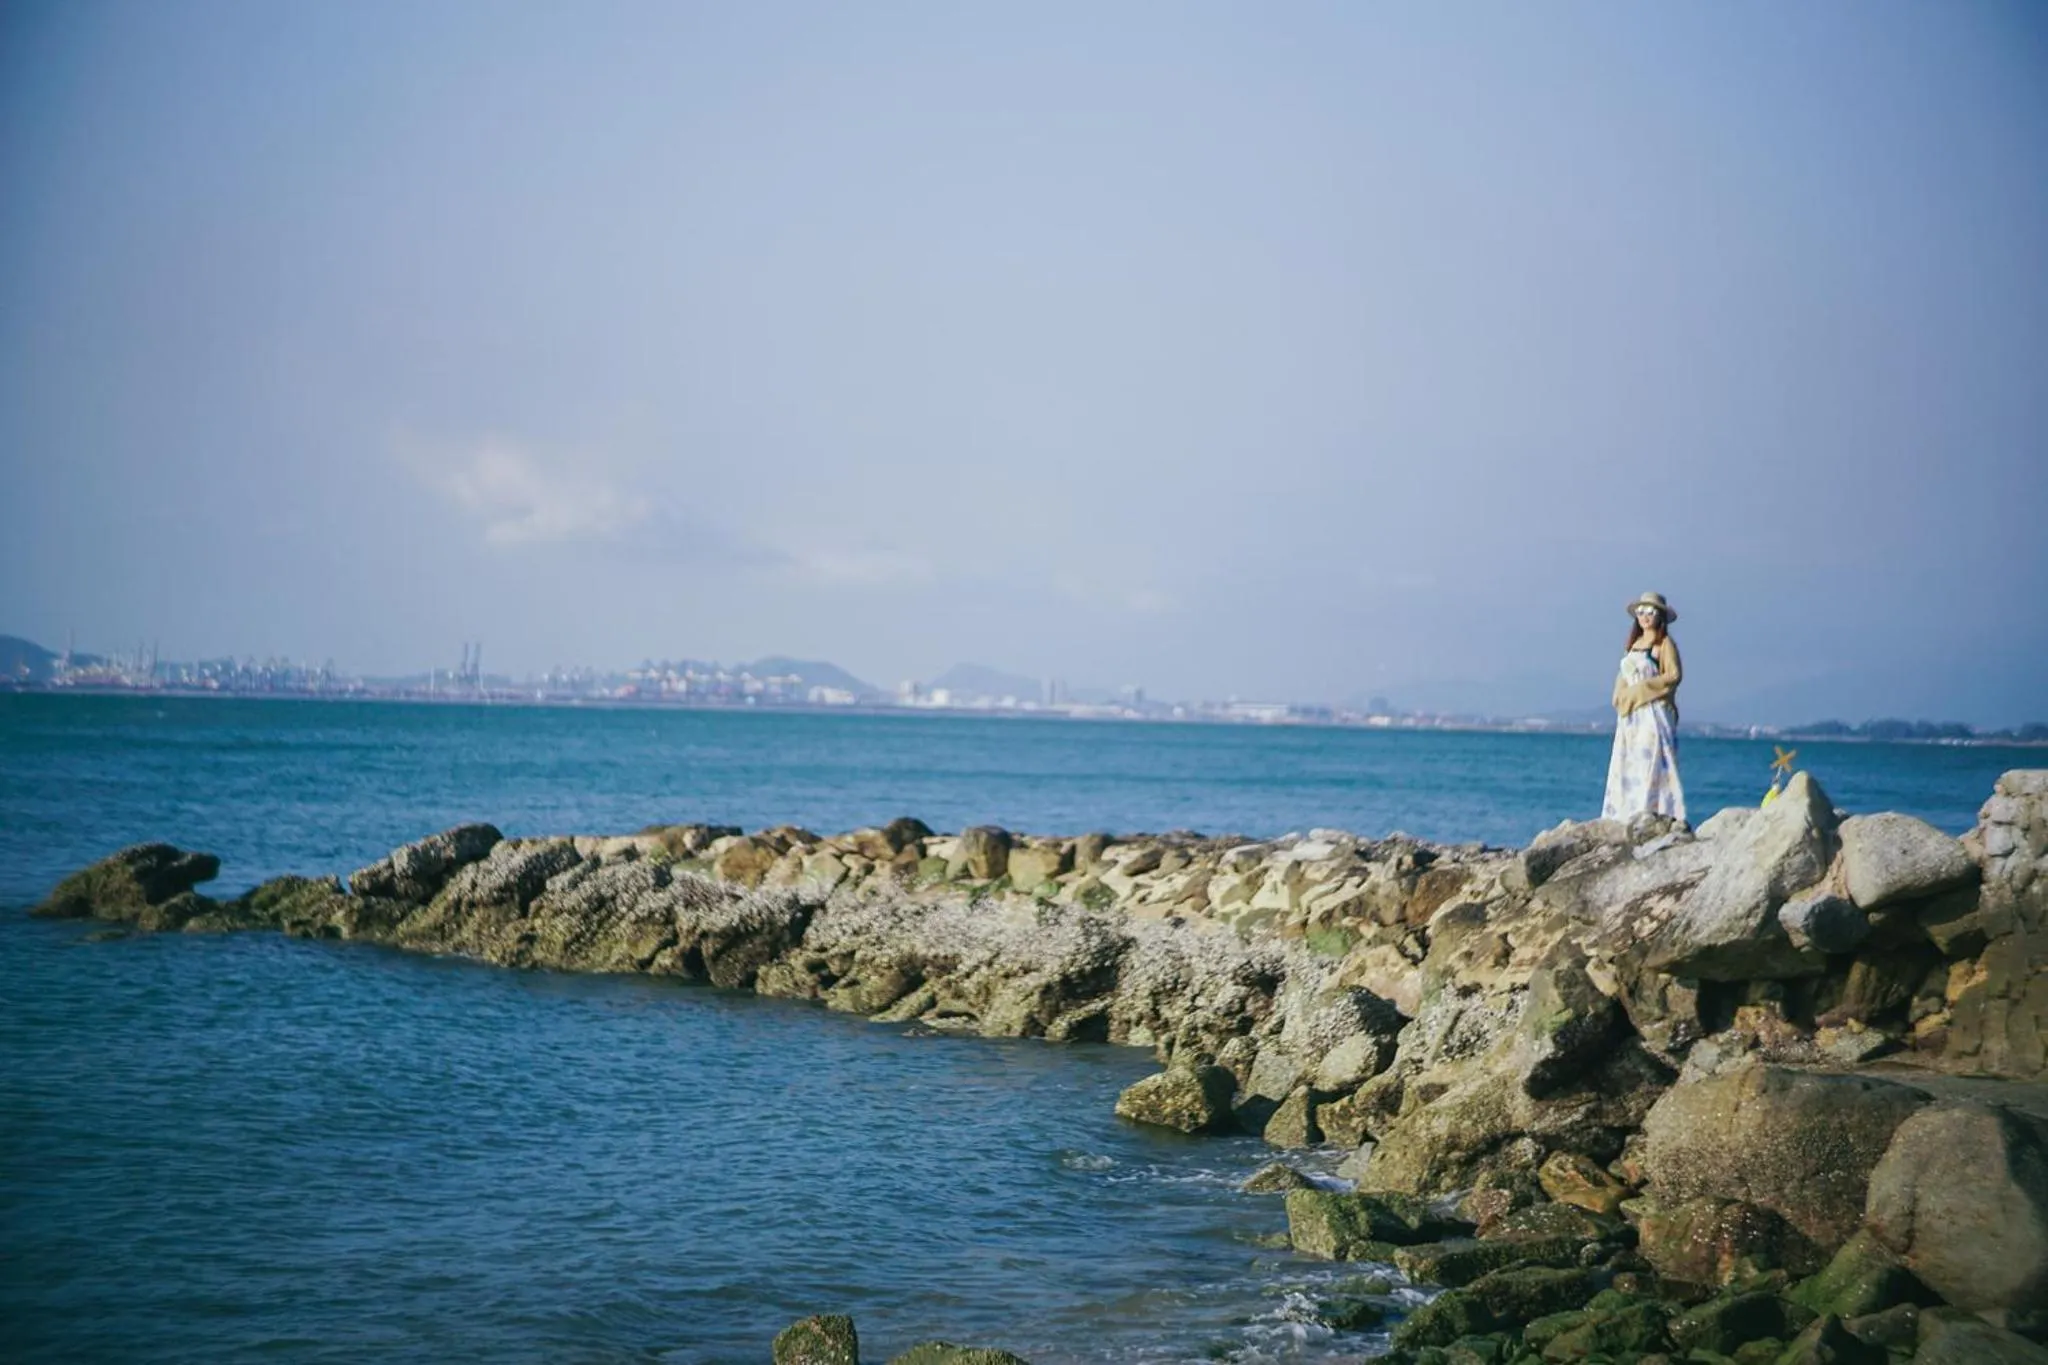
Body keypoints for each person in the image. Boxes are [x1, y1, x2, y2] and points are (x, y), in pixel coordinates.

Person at [1602, 591, 1686, 823]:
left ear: (1659, 616)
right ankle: (1625, 813)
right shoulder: (1634, 645)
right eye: (1641, 612)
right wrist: (1621, 696)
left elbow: (1673, 676)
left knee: (1651, 762)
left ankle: (1653, 811)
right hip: (1631, 714)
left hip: (1653, 713)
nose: (1645, 617)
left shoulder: (1664, 644)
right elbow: (1624, 676)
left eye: (1650, 612)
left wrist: (1642, 689)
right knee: (1630, 762)